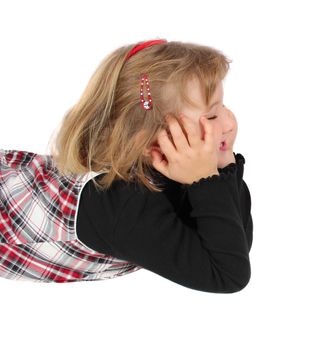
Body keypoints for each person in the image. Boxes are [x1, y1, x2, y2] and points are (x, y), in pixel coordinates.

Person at [0, 39, 252, 293]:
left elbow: (233, 243)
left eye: (223, 108)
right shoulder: (123, 207)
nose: (230, 123)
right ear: (149, 141)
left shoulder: (162, 171)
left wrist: (223, 165)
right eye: (211, 116)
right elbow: (228, 273)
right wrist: (207, 179)